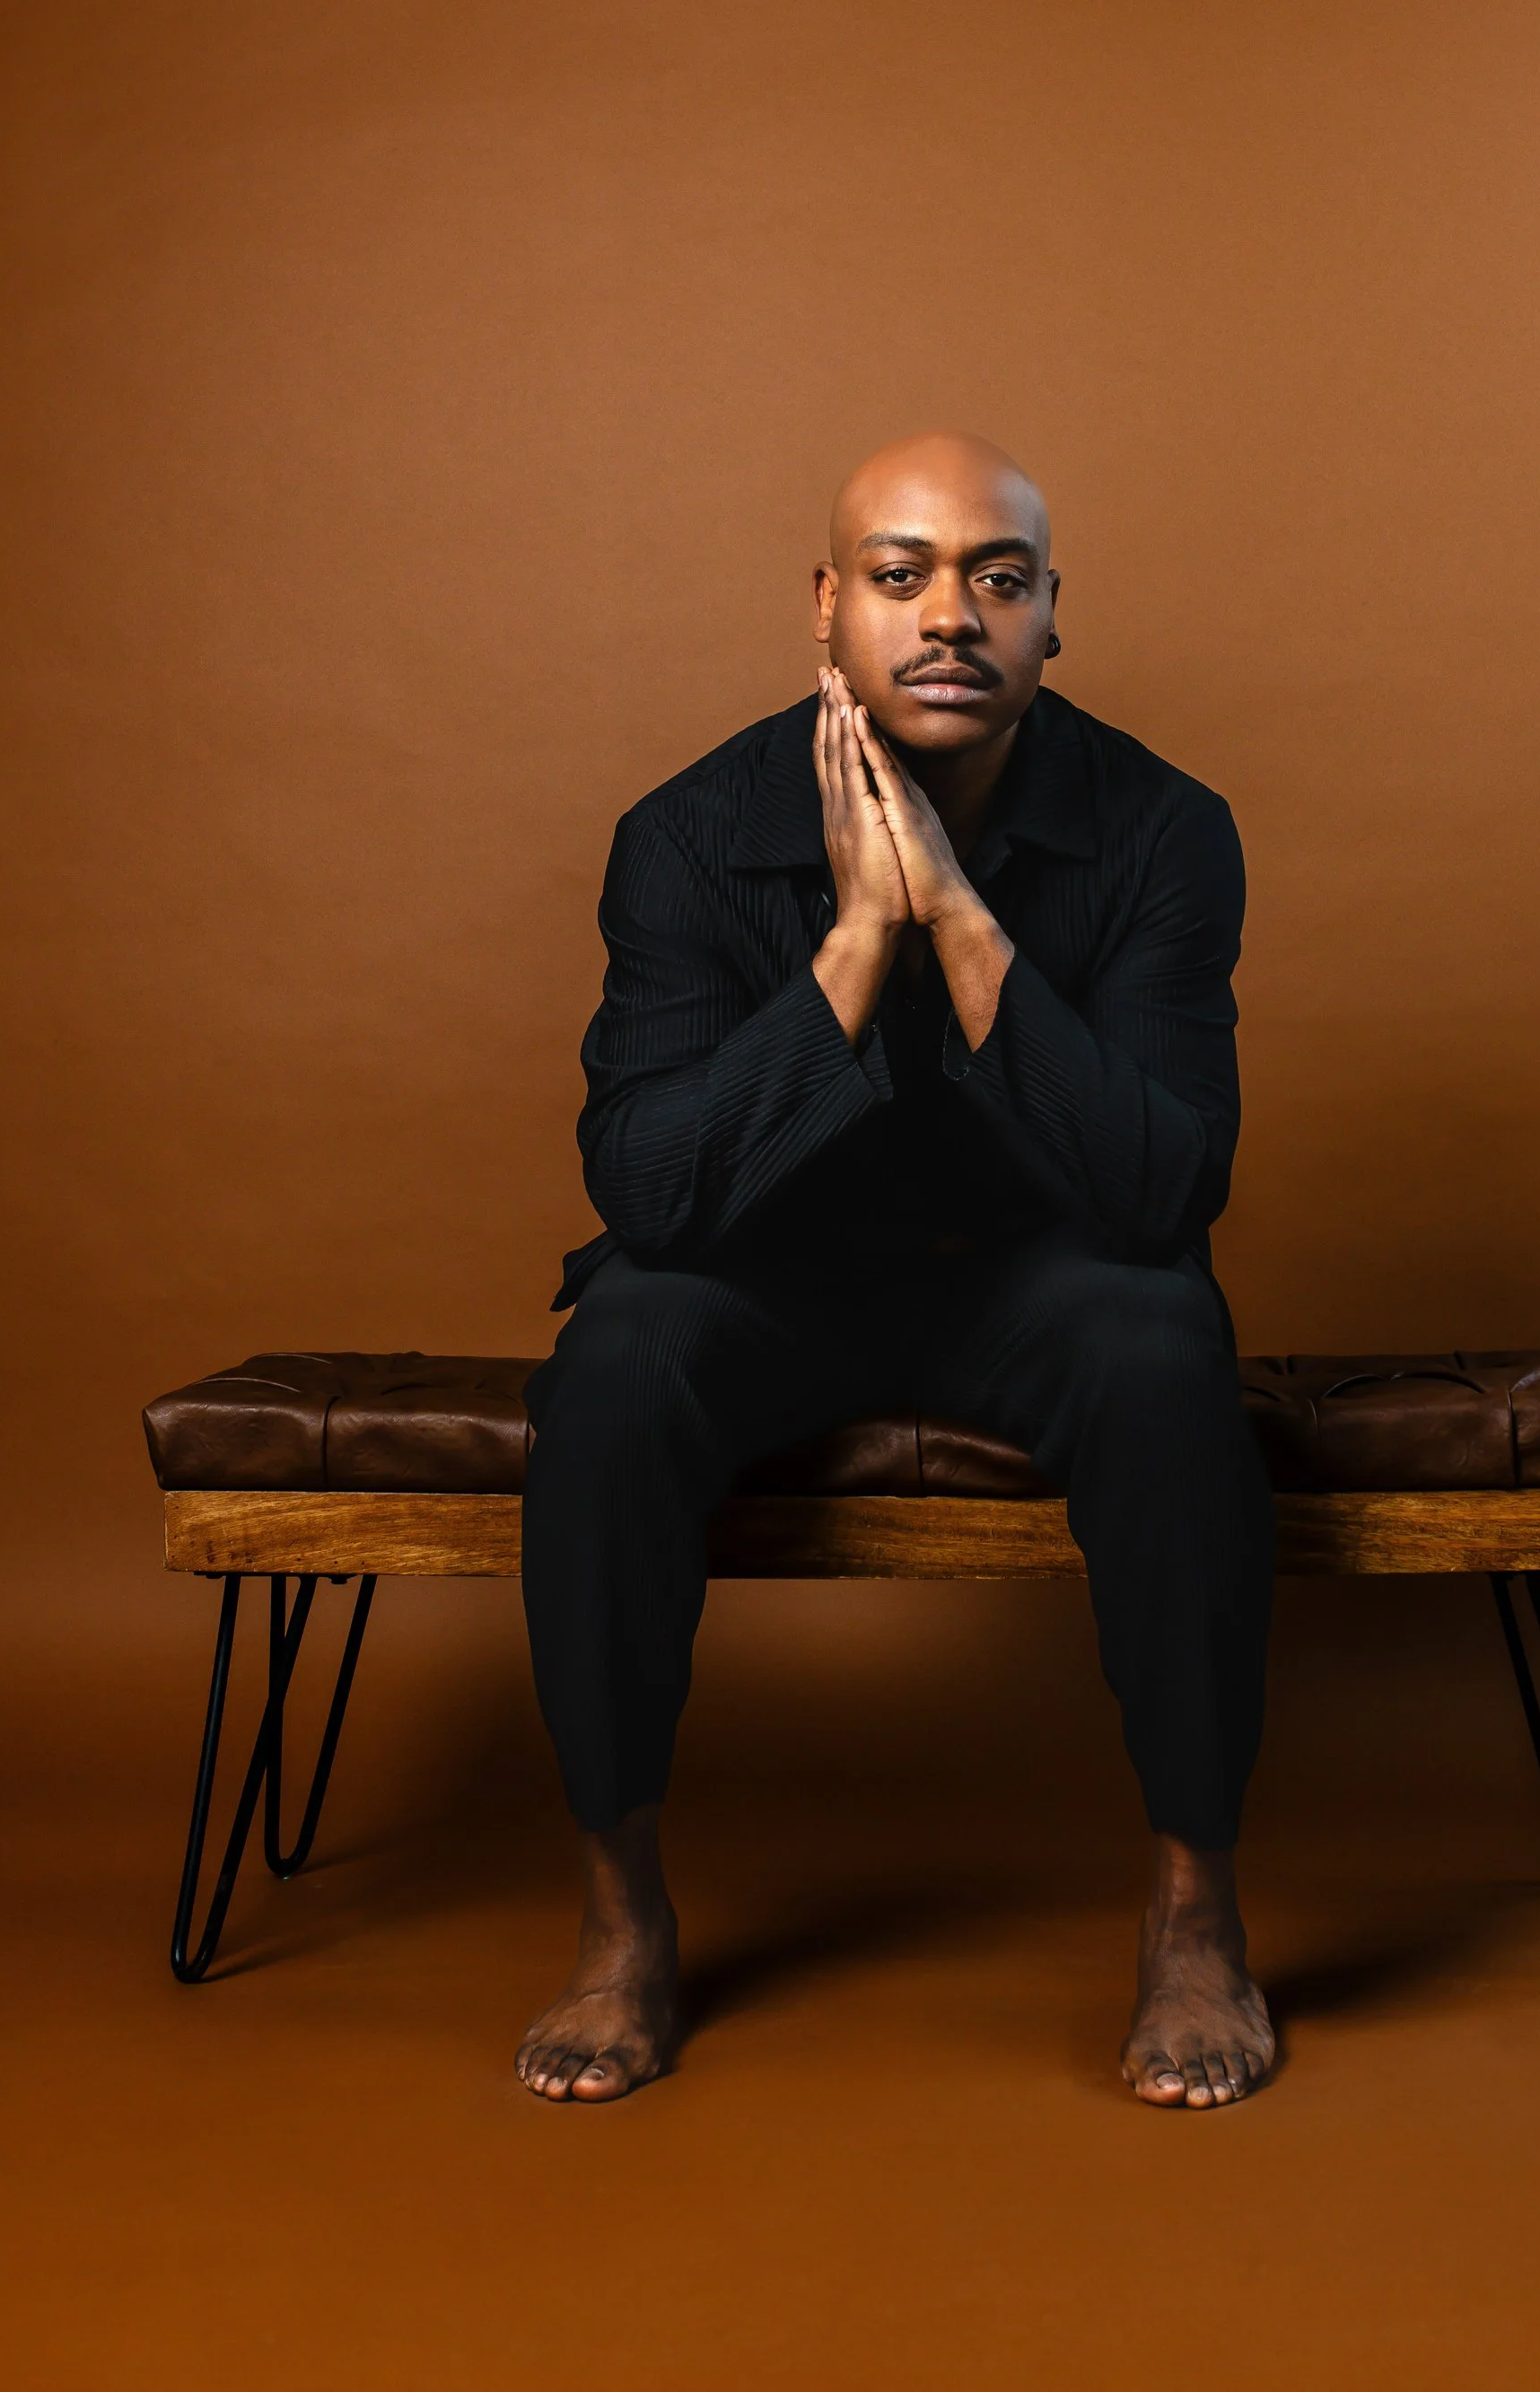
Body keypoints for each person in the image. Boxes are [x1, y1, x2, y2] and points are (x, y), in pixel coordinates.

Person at [514, 432, 1276, 2109]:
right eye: (901, 573)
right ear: (829, 610)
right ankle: (621, 1914)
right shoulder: (689, 837)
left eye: (998, 579)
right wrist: (858, 944)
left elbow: (1161, 1192)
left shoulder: (1165, 833)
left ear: (1052, 620)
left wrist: (966, 927)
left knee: (1165, 1346)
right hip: (769, 1281)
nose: (950, 614)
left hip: (1046, 1280)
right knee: (619, 1359)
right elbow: (649, 1192)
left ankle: (1194, 1912)